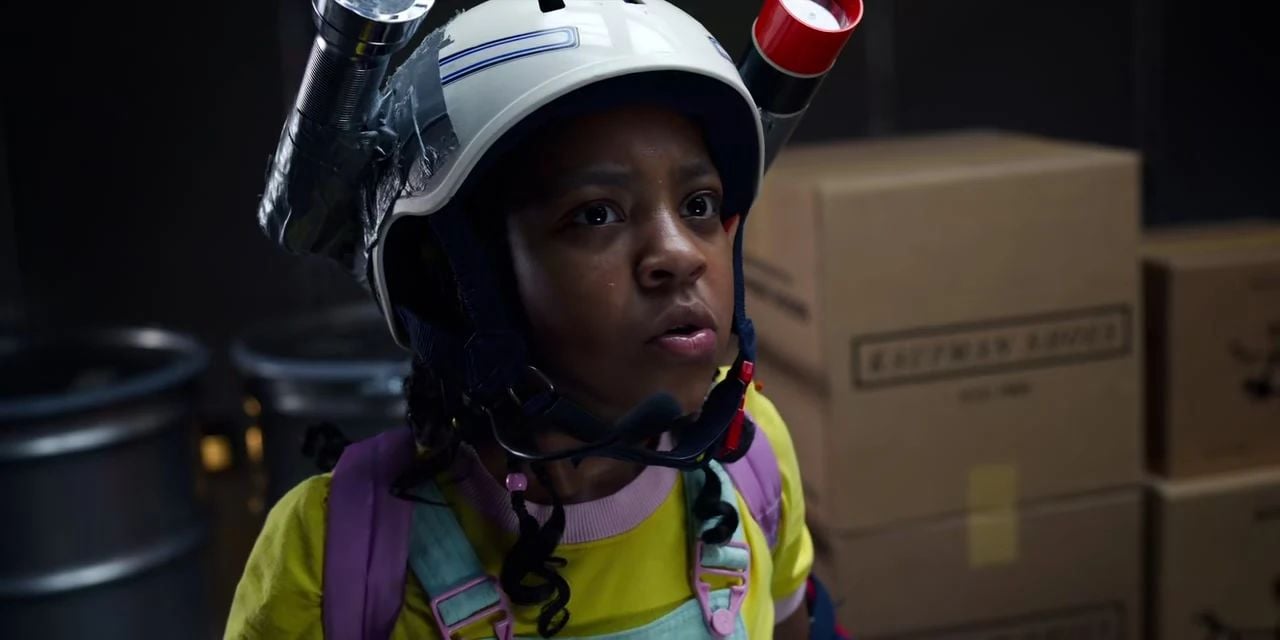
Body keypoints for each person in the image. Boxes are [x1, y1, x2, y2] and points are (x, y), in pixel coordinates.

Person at [227, 1, 845, 638]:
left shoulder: (750, 458)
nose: (682, 254)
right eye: (596, 214)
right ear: (459, 281)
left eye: (698, 205)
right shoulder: (332, 558)